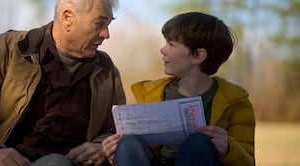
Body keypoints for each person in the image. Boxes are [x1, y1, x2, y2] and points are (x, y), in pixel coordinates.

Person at [0, 0, 126, 166]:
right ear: (68, 18)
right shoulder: (9, 50)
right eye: (99, 23)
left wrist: (99, 147)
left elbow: (116, 128)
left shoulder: (106, 70)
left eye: (108, 24)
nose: (106, 34)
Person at [102, 12, 255, 166]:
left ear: (197, 56)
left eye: (171, 44)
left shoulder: (235, 103)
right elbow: (134, 154)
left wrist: (228, 149)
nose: (163, 50)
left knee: (198, 142)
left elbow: (248, 162)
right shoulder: (149, 94)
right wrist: (116, 150)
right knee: (128, 143)